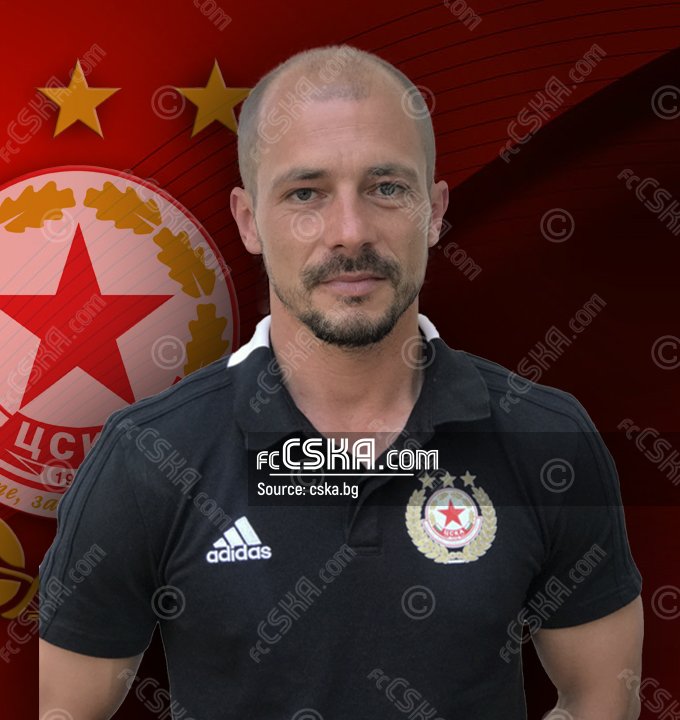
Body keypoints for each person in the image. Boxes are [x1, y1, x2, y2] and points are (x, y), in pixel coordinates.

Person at [39, 44, 643, 719]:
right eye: (306, 193)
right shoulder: (147, 456)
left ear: (435, 210)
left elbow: (599, 699)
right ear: (248, 220)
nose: (351, 233)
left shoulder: (548, 439)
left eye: (387, 188)